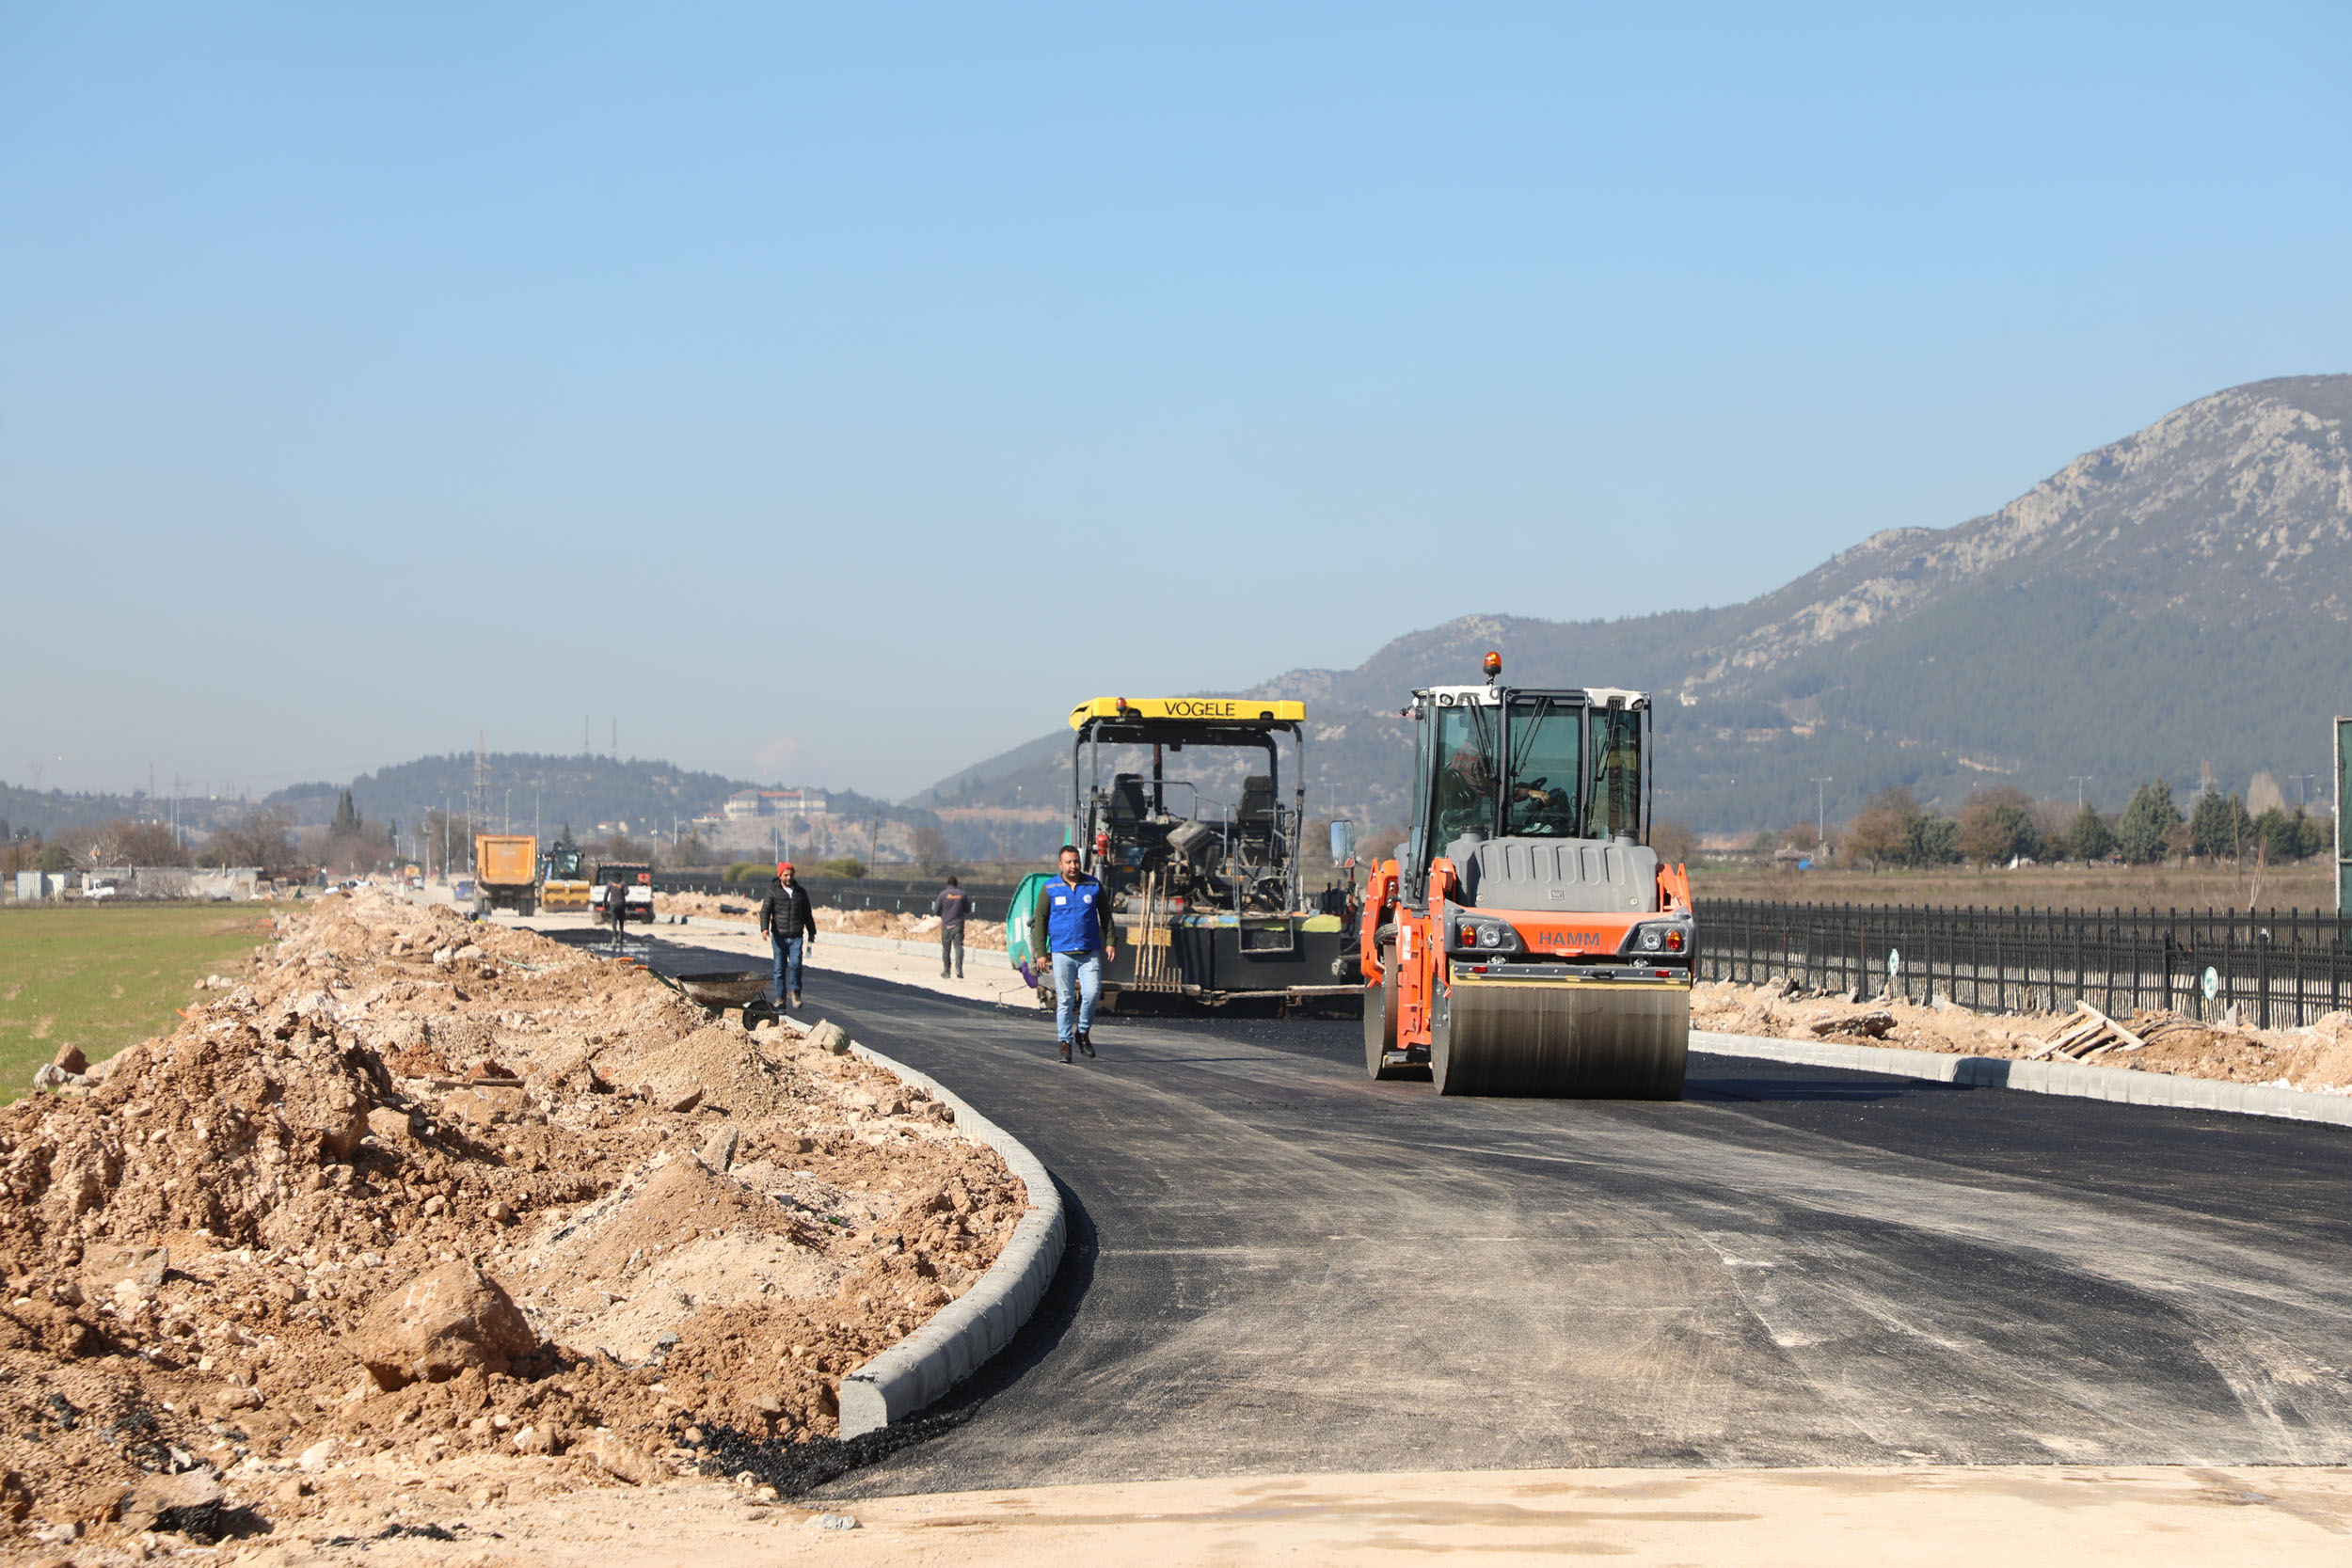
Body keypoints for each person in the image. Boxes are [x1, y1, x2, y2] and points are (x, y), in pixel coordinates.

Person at [1026, 844, 1116, 1063]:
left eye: (1076, 861)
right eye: (1068, 862)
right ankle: (1065, 1043)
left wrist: (1111, 942)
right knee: (1065, 999)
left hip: (1089, 951)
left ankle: (1082, 1032)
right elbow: (1040, 922)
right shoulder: (1050, 888)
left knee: (1093, 993)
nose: (1073, 866)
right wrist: (1040, 952)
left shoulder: (1093, 886)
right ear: (1060, 864)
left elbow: (1106, 916)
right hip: (1061, 953)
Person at [758, 862, 817, 1008]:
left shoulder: (800, 893)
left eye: (791, 874)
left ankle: (796, 992)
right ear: (780, 876)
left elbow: (807, 914)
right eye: (786, 875)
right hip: (779, 936)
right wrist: (764, 928)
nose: (789, 877)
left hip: (796, 936)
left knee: (796, 965)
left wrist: (812, 932)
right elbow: (765, 910)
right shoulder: (773, 891)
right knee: (779, 969)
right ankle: (781, 997)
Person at [931, 875, 973, 979]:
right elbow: (968, 910)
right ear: (956, 884)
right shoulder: (962, 894)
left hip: (946, 925)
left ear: (947, 884)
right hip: (958, 924)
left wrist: (944, 914)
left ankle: (946, 971)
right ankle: (959, 970)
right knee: (958, 947)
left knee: (946, 949)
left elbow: (936, 911)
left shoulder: (942, 895)